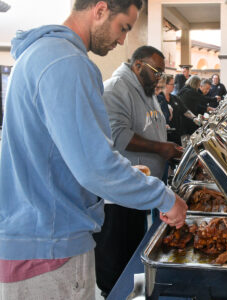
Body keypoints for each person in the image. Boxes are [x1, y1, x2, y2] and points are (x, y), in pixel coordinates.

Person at [0, 1, 187, 299]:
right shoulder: (66, 61)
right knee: (118, 272)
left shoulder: (44, 54)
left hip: (41, 236)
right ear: (100, 10)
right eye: (123, 27)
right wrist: (164, 198)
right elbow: (95, 166)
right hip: (52, 244)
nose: (123, 39)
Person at [94, 45, 183, 297]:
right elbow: (118, 135)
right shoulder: (115, 89)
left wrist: (167, 147)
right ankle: (113, 294)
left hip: (139, 189)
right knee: (115, 259)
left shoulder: (146, 89)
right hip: (117, 194)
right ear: (138, 65)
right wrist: (160, 148)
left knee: (137, 253)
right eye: (157, 72)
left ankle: (137, 294)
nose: (160, 79)